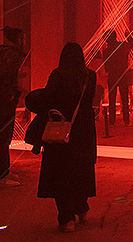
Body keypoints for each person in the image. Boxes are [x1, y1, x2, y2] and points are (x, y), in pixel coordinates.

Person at [37, 43, 97, 232]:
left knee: (61, 173)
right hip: (84, 130)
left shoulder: (58, 75)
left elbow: (48, 98)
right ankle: (82, 207)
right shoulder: (90, 75)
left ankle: (66, 218)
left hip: (62, 131)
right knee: (82, 169)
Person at [0, 26, 27, 186]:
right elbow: (5, 78)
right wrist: (10, 95)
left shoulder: (1, 54)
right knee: (4, 138)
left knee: (4, 137)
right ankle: (0, 177)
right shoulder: (11, 56)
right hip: (4, 102)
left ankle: (5, 172)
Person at [103, 31, 132, 126]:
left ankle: (112, 121)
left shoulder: (107, 50)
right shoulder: (123, 45)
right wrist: (127, 35)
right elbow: (132, 44)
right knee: (124, 98)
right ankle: (126, 120)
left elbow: (106, 66)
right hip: (123, 75)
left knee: (112, 99)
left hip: (112, 76)